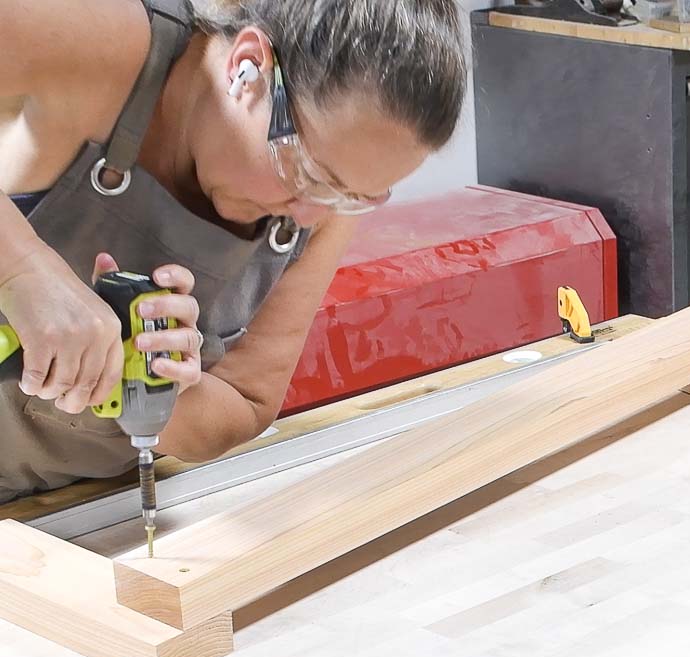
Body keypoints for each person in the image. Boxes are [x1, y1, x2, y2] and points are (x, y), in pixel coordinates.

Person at [0, 0, 467, 502]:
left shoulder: (323, 203)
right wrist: (23, 271)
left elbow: (247, 401)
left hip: (60, 515)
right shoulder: (107, 39)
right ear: (247, 68)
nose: (310, 216)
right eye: (307, 176)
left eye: (351, 197)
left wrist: (169, 383)